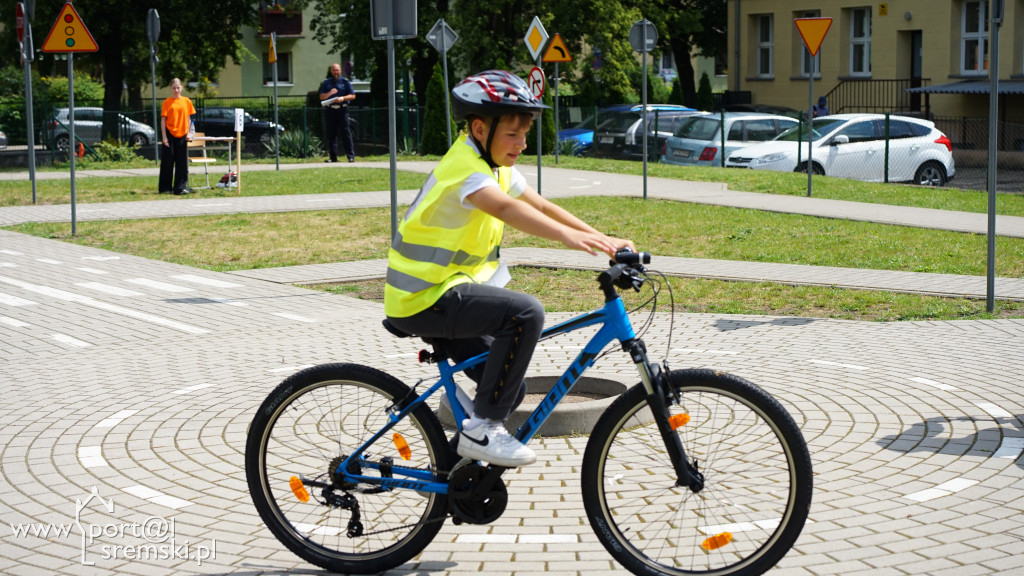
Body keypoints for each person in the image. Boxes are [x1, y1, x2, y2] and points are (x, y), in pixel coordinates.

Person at [384, 70, 633, 468]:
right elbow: (505, 208)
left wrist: (605, 240)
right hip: (423, 296)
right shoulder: (465, 168)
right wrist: (573, 241)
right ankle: (482, 431)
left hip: (445, 292)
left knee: (505, 392)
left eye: (525, 134)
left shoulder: (494, 165)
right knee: (525, 312)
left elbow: (540, 206)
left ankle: (450, 476)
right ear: (480, 128)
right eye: (512, 134)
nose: (521, 144)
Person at [158, 78, 197, 195]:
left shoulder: (186, 101)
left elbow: (189, 119)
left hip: (182, 134)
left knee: (182, 162)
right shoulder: (167, 102)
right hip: (170, 133)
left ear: (182, 88)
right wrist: (164, 137)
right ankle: (165, 188)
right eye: (174, 88)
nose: (176, 90)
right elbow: (163, 120)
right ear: (171, 88)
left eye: (178, 87)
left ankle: (180, 187)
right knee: (167, 161)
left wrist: (189, 133)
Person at [319, 62, 356, 163]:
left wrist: (342, 98)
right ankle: (333, 157)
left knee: (346, 133)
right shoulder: (326, 83)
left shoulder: (345, 82)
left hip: (342, 109)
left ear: (340, 71)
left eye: (337, 70)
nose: (336, 72)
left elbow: (352, 96)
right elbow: (321, 97)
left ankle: (350, 156)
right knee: (331, 133)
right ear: (331, 71)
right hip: (330, 110)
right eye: (334, 70)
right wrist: (330, 93)